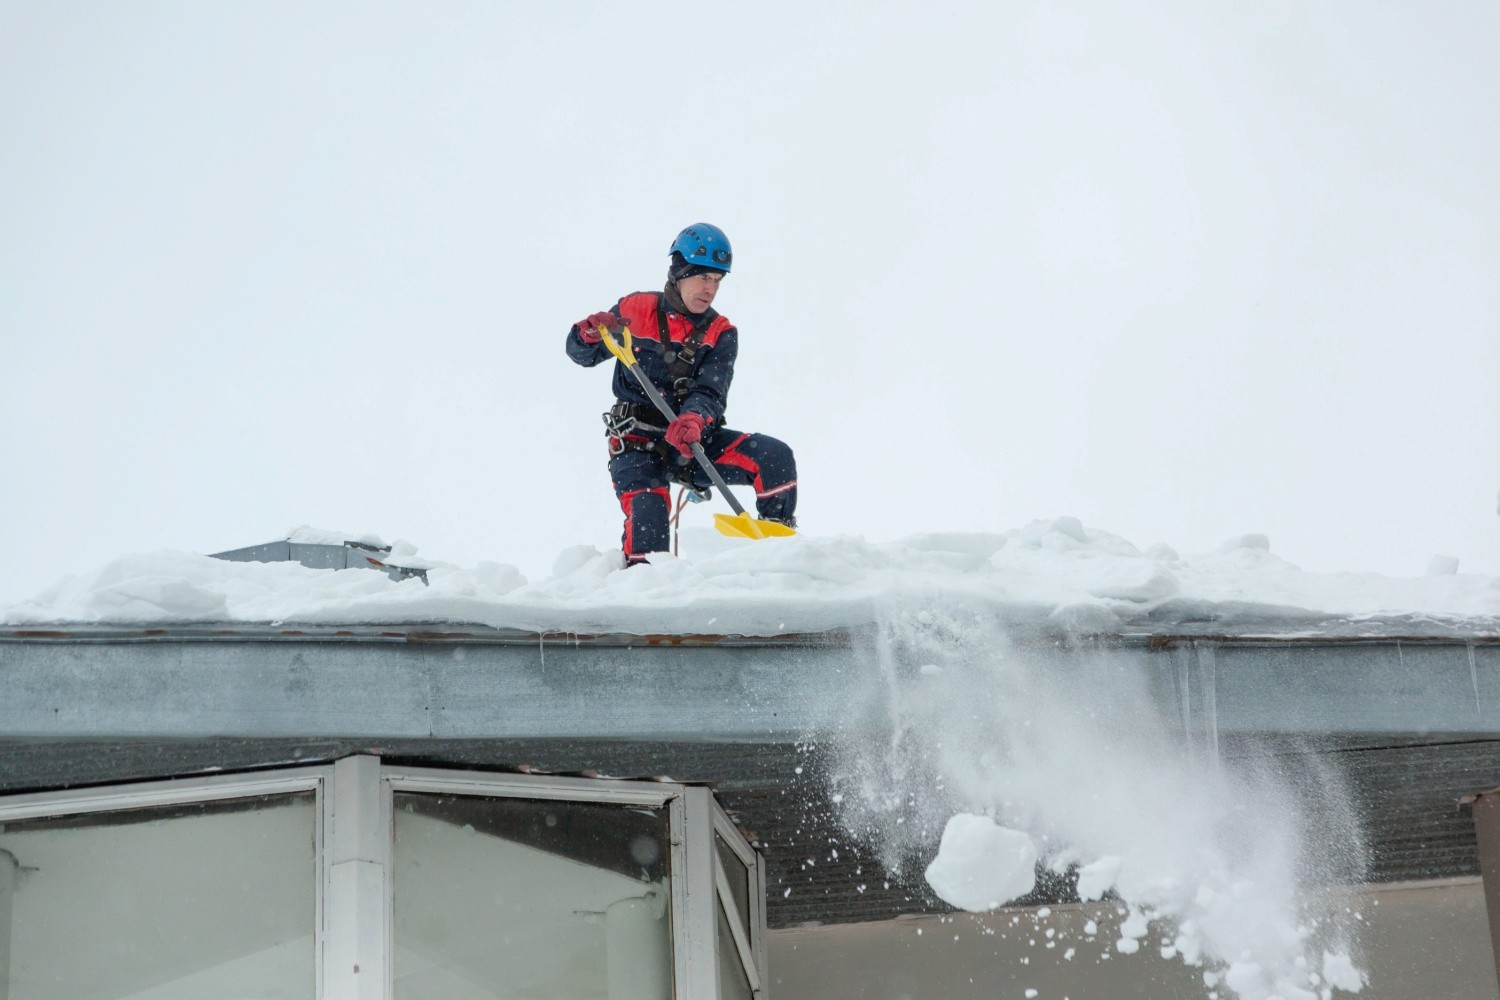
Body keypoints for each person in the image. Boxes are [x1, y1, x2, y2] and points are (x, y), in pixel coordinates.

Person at [566, 223, 797, 566]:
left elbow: (711, 391)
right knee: (649, 518)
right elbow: (583, 355)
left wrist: (694, 420)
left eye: (718, 280)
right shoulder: (636, 309)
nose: (711, 289)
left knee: (774, 457)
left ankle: (780, 559)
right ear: (679, 271)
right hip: (636, 441)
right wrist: (586, 336)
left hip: (692, 441)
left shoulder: (721, 332)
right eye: (704, 277)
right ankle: (640, 588)